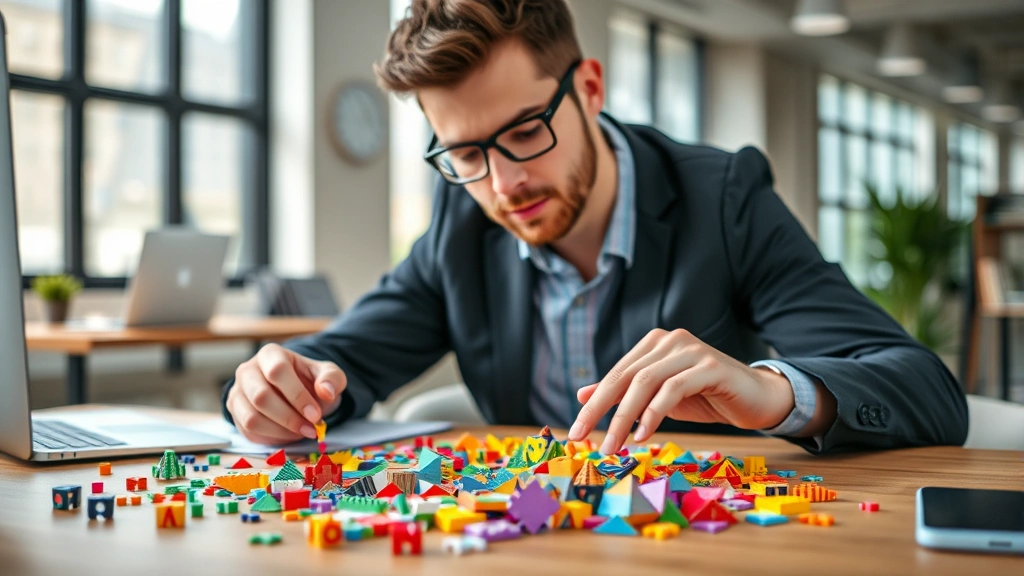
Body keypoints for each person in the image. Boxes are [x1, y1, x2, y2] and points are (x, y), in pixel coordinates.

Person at [222, 0, 967, 454]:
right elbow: (339, 363)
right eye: (466, 154)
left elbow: (927, 389)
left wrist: (772, 393)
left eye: (523, 133)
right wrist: (277, 388)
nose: (504, 182)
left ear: (588, 88)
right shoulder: (462, 220)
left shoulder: (725, 199)